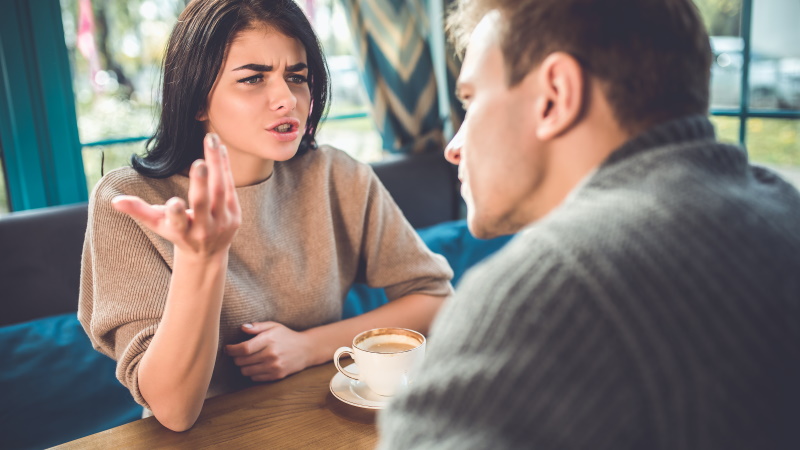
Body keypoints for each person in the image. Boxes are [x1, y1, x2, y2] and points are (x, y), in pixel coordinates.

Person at [378, 0, 800, 448]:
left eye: (471, 99)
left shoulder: (549, 292)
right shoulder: (782, 211)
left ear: (554, 96)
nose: (454, 147)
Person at [78, 0, 453, 432]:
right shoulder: (130, 199)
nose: (287, 99)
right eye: (253, 78)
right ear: (198, 99)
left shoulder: (337, 175)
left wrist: (308, 347)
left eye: (297, 77)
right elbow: (175, 410)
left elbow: (436, 299)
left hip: (323, 423)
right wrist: (203, 258)